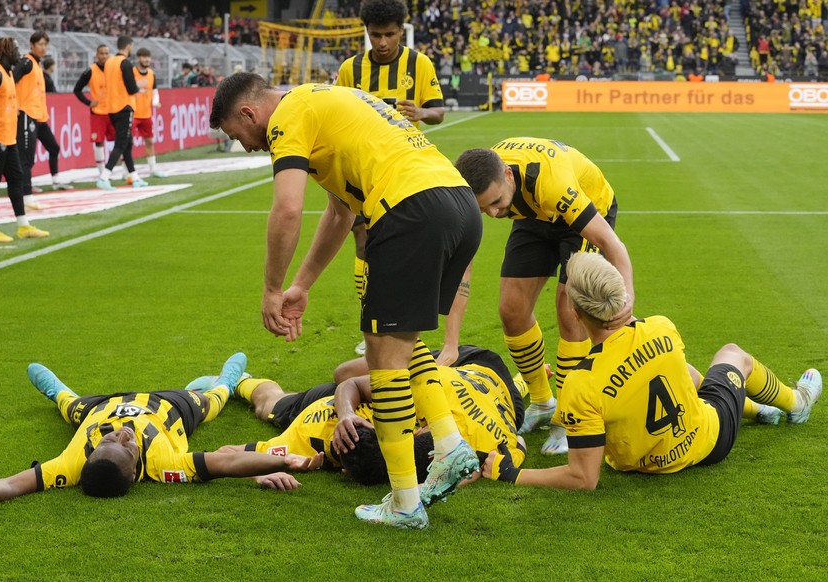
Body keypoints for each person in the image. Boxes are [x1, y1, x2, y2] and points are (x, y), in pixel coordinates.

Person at [210, 73, 482, 529]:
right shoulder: (324, 103)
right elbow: (340, 212)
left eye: (237, 136)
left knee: (382, 356)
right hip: (457, 206)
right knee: (402, 343)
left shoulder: (286, 118)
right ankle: (451, 448)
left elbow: (288, 207)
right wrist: (302, 283)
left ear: (249, 113)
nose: (246, 147)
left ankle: (404, 503)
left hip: (410, 209)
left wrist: (272, 289)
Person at [482, 252, 823, 489]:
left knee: (682, 373)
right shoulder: (661, 327)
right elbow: (584, 481)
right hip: (708, 442)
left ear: (573, 310)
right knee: (734, 355)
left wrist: (511, 472)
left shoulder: (579, 384)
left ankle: (759, 411)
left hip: (642, 467)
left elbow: (583, 477)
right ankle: (797, 403)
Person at [0, 353, 323, 510]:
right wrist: (280, 463)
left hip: (98, 406)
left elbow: (12, 484)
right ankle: (227, 380)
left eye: (109, 440)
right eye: (126, 447)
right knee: (215, 400)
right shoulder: (164, 465)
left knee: (66, 403)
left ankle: (55, 389)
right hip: (169, 407)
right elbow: (225, 463)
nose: (123, 435)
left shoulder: (70, 464)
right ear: (135, 472)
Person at [454, 139, 635, 456]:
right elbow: (463, 265)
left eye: (496, 203)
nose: (494, 214)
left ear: (508, 176)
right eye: (483, 209)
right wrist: (449, 341)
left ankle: (568, 415)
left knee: (570, 310)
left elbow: (611, 243)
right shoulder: (471, 186)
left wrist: (628, 295)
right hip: (534, 217)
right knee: (511, 310)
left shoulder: (552, 182)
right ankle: (541, 400)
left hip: (586, 211)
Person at [188, 345, 525, 497]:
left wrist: (262, 470)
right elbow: (491, 461)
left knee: (287, 398)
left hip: (479, 373)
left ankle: (237, 381)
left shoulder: (424, 407)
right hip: (488, 381)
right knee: (273, 406)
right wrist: (263, 469)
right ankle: (236, 382)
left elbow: (488, 461)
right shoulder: (310, 440)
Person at [335, 0, 452, 360]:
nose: (382, 42)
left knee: (398, 248)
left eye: (388, 34)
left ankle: (403, 324)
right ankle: (370, 319)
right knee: (362, 240)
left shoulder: (419, 63)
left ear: (402, 31)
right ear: (367, 33)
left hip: (403, 171)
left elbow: (439, 112)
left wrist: (421, 112)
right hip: (361, 170)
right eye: (375, 35)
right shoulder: (350, 69)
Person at [0, 36, 49, 244]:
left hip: (9, 136)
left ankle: (23, 225)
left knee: (17, 178)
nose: (19, 53)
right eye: (15, 49)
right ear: (6, 51)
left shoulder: (7, 74)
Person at [13, 31, 68, 205]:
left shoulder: (37, 65)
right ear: (31, 45)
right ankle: (26, 196)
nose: (43, 48)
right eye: (40, 44)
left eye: (45, 44)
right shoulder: (26, 62)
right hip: (26, 114)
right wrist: (14, 105)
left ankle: (55, 180)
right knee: (26, 157)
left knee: (53, 147)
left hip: (38, 117)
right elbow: (10, 81)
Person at [96, 36, 148, 191]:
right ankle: (104, 177)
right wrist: (139, 87)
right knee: (121, 144)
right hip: (124, 106)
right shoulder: (125, 63)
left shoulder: (109, 62)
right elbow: (131, 88)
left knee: (127, 143)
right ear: (128, 46)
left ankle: (134, 177)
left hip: (112, 107)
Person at [73, 44, 115, 176]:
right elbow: (77, 89)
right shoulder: (90, 71)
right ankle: (102, 172)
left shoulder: (114, 70)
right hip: (98, 112)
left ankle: (125, 171)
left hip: (114, 111)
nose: (104, 56)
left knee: (119, 140)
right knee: (99, 141)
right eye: (101, 53)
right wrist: (88, 102)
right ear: (96, 55)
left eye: (106, 53)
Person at [132, 47, 166, 179]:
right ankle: (126, 171)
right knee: (128, 143)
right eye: (143, 57)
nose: (146, 59)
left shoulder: (151, 74)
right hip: (133, 113)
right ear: (138, 58)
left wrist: (155, 102)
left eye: (148, 57)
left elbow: (155, 91)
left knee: (150, 141)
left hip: (146, 114)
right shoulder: (132, 72)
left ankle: (153, 169)